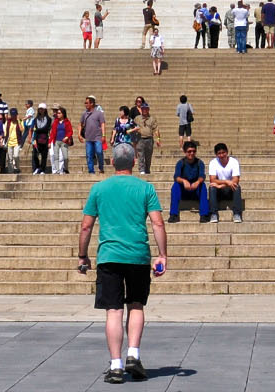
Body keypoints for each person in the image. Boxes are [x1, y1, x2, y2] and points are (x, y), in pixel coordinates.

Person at [77, 145, 168, 385]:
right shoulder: (146, 188)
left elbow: (86, 226)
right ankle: (133, 355)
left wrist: (82, 255)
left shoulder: (99, 188)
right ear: (135, 160)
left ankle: (116, 365)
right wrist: (163, 255)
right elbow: (158, 224)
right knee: (136, 305)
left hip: (109, 256)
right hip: (138, 254)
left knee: (114, 310)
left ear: (111, 161)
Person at [169, 140, 210, 222]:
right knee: (175, 186)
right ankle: (174, 214)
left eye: (194, 151)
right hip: (184, 191)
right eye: (189, 151)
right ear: (185, 152)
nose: (192, 153)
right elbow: (176, 177)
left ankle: (204, 214)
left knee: (203, 186)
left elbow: (202, 176)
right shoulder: (181, 163)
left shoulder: (199, 163)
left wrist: (197, 182)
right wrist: (184, 181)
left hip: (195, 190)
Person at [205, 143, 244, 222]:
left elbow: (235, 180)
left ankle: (237, 213)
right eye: (219, 153)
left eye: (223, 153)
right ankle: (213, 213)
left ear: (227, 152)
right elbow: (212, 180)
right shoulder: (213, 162)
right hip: (219, 191)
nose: (222, 155)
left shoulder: (234, 162)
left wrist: (221, 185)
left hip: (230, 190)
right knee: (212, 187)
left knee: (236, 186)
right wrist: (226, 181)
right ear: (216, 154)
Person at [82, 97, 106, 174]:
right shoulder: (84, 114)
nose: (85, 104)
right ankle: (91, 171)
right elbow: (80, 124)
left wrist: (103, 135)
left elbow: (102, 123)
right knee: (89, 155)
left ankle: (101, 167)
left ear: (92, 103)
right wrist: (79, 134)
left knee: (99, 152)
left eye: (87, 103)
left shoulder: (99, 113)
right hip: (88, 137)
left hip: (97, 137)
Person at [134, 104, 158, 175]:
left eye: (146, 109)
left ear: (148, 109)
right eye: (143, 109)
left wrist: (158, 138)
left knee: (148, 156)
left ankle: (147, 168)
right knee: (141, 155)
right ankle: (141, 169)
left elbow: (155, 129)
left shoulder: (152, 119)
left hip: (149, 139)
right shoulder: (137, 118)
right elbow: (133, 126)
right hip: (140, 139)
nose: (144, 110)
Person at [51, 105, 74, 175]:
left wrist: (67, 137)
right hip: (56, 141)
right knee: (56, 156)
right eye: (57, 113)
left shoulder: (67, 122)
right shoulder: (55, 122)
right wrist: (50, 142)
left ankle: (66, 168)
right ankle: (57, 170)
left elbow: (70, 131)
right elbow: (52, 132)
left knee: (65, 157)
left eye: (59, 113)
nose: (57, 114)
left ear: (63, 114)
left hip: (64, 141)